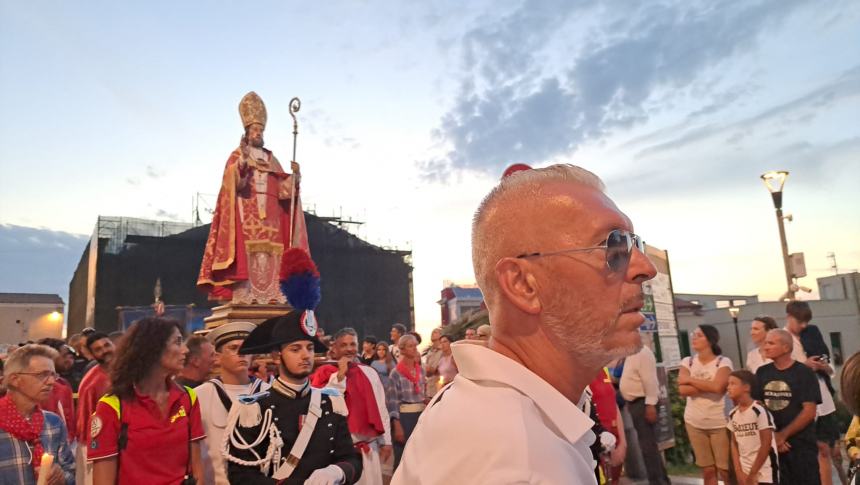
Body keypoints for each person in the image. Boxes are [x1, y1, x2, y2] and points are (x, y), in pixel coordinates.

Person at [392, 164, 657, 484]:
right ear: (523, 285)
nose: (645, 268)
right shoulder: (517, 464)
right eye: (613, 245)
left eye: (634, 244)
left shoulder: (501, 412)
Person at [224, 311, 363, 484]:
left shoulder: (330, 402)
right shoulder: (254, 408)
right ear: (276, 356)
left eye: (310, 348)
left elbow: (351, 459)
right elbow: (241, 476)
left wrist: (336, 471)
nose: (305, 355)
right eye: (295, 349)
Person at [197, 91, 309, 304]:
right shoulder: (238, 156)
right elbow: (233, 184)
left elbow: (284, 192)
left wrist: (295, 178)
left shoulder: (271, 158)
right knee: (246, 257)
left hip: (272, 218)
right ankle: (246, 296)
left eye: (260, 130)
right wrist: (241, 164)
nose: (257, 133)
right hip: (247, 216)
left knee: (273, 256)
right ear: (247, 132)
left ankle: (273, 296)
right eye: (254, 129)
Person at [88, 318, 205, 484]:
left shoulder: (188, 397)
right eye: (177, 342)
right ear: (152, 349)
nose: (185, 350)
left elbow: (197, 470)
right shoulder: (112, 406)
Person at [312, 328, 392, 485]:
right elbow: (325, 407)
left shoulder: (369, 372)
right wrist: (340, 376)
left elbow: (381, 407)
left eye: (353, 344)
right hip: (340, 454)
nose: (349, 349)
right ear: (334, 348)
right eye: (344, 345)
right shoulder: (324, 373)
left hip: (370, 450)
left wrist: (386, 441)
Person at [194, 321, 268, 485]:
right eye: (233, 348)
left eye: (246, 348)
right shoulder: (201, 395)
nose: (242, 353)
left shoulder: (268, 392)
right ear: (218, 357)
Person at [0, 344, 76, 484]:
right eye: (43, 375)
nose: (52, 382)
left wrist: (62, 477)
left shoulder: (53, 423)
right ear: (15, 379)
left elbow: (70, 470)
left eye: (53, 374)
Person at [754, 329, 821, 485]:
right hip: (772, 446)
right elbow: (759, 407)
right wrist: (773, 435)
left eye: (771, 343)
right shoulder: (762, 372)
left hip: (801, 446)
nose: (766, 347)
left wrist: (783, 435)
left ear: (786, 348)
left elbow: (809, 411)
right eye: (765, 343)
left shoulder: (804, 373)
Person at [783, 301, 839, 485]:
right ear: (789, 317)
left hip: (822, 399)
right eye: (799, 321)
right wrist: (804, 366)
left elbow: (830, 367)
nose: (803, 326)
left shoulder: (812, 333)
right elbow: (782, 371)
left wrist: (824, 367)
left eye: (806, 321)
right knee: (806, 450)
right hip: (799, 402)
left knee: (825, 448)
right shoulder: (782, 338)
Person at [679, 324, 733, 485]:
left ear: (710, 340)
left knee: (725, 469)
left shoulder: (723, 362)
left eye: (699, 335)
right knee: (707, 469)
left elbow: (719, 387)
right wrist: (707, 385)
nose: (694, 338)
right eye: (693, 334)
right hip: (694, 421)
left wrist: (691, 381)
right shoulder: (687, 361)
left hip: (719, 421)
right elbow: (682, 389)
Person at [619, 344, 670, 485]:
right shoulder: (629, 353)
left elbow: (650, 380)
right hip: (635, 403)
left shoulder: (642, 352)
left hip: (644, 404)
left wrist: (650, 405)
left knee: (648, 448)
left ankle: (657, 481)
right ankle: (662, 480)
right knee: (648, 447)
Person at [74, 332, 114, 485]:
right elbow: (87, 423)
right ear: (92, 355)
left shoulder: (127, 370)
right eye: (98, 349)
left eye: (106, 345)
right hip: (97, 446)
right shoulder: (92, 382)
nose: (104, 350)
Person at [727, 369, 779, 485]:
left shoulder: (758, 410)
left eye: (733, 384)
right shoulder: (733, 414)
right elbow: (734, 443)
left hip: (765, 471)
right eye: (728, 384)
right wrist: (738, 470)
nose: (728, 387)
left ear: (746, 387)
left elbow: (766, 443)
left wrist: (753, 473)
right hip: (744, 468)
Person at [387, 333, 427, 470]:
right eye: (411, 346)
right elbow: (393, 401)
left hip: (420, 416)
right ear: (402, 349)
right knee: (402, 458)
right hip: (405, 418)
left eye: (415, 345)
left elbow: (422, 394)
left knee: (420, 457)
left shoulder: (421, 370)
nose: (415, 348)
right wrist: (397, 425)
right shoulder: (396, 373)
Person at [589, 367, 626, 485]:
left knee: (615, 481)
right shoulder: (580, 374)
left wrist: (623, 442)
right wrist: (601, 446)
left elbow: (614, 405)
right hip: (598, 444)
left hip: (614, 440)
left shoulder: (603, 369)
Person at [37, 338, 76, 441]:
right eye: (64, 356)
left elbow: (69, 417)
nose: (69, 360)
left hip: (67, 442)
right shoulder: (39, 385)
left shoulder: (63, 383)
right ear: (50, 357)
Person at [421, 328, 443, 398]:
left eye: (435, 332)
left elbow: (434, 370)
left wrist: (422, 365)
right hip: (429, 388)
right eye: (432, 332)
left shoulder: (442, 351)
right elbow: (427, 372)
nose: (432, 333)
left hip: (438, 388)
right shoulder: (430, 351)